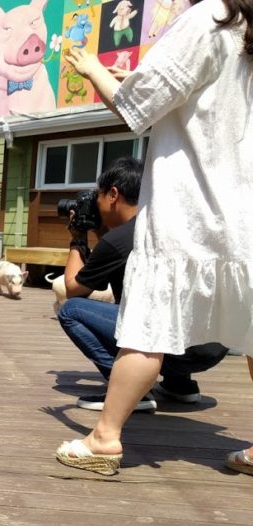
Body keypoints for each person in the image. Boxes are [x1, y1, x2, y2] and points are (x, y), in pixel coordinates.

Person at [56, 0, 252, 475]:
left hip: (192, 216)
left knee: (149, 330)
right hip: (244, 216)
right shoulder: (246, 29)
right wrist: (132, 78)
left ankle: (105, 438)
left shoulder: (211, 16)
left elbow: (133, 108)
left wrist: (90, 67)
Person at [57, 156, 228, 412]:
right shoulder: (171, 225)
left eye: (99, 196)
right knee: (170, 303)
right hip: (213, 346)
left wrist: (78, 237)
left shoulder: (117, 240)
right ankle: (179, 386)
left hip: (170, 345)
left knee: (72, 311)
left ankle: (129, 391)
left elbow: (73, 289)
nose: (97, 204)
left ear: (113, 194)